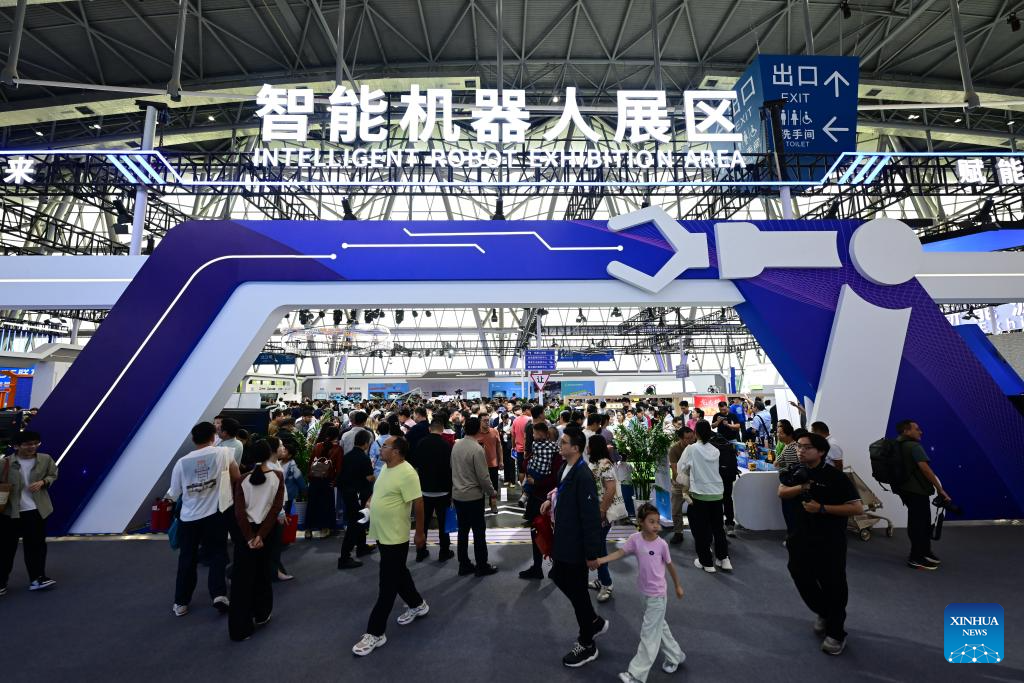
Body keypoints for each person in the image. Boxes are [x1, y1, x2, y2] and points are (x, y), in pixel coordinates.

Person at [778, 432, 863, 656]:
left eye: (806, 447)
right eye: (799, 446)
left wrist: (822, 508)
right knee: (799, 574)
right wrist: (802, 488)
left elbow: (856, 508)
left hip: (829, 540)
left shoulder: (836, 477)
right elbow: (782, 492)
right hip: (799, 536)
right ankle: (824, 612)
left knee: (833, 584)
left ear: (821, 451)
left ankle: (836, 633)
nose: (801, 450)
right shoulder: (797, 471)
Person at [351, 436, 428, 657]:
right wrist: (370, 503)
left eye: (384, 446)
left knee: (387, 585)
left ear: (395, 452)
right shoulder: (386, 468)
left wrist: (420, 532)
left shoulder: (408, 473)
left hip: (395, 536)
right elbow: (379, 490)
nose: (380, 448)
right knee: (399, 574)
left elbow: (418, 502)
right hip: (382, 534)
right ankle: (418, 604)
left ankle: (375, 632)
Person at [541, 425, 609, 668]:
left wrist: (592, 554)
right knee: (558, 575)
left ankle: (587, 643)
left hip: (577, 545)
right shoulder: (565, 468)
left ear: (576, 448)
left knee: (579, 593)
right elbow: (562, 490)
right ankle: (593, 621)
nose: (560, 444)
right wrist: (551, 500)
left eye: (564, 442)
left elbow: (590, 518)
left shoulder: (583, 475)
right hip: (563, 539)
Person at [598, 503, 685, 683]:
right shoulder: (635, 539)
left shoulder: (661, 545)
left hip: (658, 596)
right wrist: (601, 560)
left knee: (648, 634)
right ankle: (676, 655)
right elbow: (620, 553)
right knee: (659, 627)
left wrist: (677, 586)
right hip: (644, 593)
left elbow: (670, 567)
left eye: (657, 522)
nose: (656, 525)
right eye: (651, 522)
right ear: (641, 522)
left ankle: (636, 675)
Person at [166, 422, 239, 617]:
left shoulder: (181, 463)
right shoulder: (224, 453)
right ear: (213, 437)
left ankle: (181, 602)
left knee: (187, 558)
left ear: (193, 439)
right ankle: (219, 595)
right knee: (218, 554)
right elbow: (236, 476)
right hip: (216, 514)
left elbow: (174, 492)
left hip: (189, 517)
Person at [229, 440, 284, 641]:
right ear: (269, 454)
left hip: (246, 534)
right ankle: (262, 613)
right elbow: (275, 508)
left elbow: (239, 512)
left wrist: (250, 537)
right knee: (263, 573)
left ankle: (240, 629)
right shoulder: (277, 476)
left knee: (242, 581)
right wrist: (261, 535)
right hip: (267, 533)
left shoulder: (242, 479)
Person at [0, 430, 58, 594]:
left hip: (36, 510)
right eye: (27, 444)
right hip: (10, 513)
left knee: (36, 547)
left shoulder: (45, 459)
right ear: (16, 446)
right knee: (5, 549)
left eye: (35, 443)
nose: (32, 447)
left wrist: (43, 482)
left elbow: (53, 474)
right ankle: (1, 583)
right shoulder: (5, 463)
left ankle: (37, 578)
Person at [893, 420, 950, 570]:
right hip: (917, 491)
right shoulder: (914, 446)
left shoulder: (898, 445)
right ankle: (916, 557)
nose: (920, 432)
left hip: (906, 490)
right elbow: (925, 469)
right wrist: (940, 489)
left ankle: (924, 552)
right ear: (906, 431)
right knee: (920, 524)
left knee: (919, 522)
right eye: (917, 429)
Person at [680, 421, 732, 573]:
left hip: (700, 495)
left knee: (701, 530)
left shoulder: (691, 449)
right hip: (717, 493)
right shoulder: (715, 450)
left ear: (696, 433)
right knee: (718, 528)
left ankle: (706, 562)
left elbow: (682, 468)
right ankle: (724, 559)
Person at [450, 417, 498, 576]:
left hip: (458, 495)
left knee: (462, 531)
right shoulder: (477, 449)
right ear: (478, 429)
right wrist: (492, 492)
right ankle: (482, 565)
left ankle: (463, 564)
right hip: (473, 497)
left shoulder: (456, 446)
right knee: (478, 532)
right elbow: (483, 476)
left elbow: (452, 468)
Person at [518, 421, 562, 579]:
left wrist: (537, 482)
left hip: (547, 499)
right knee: (536, 531)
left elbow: (555, 478)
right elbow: (525, 464)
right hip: (537, 498)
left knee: (551, 533)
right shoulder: (537, 449)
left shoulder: (556, 455)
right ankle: (538, 567)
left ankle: (556, 567)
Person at [588, 433, 627, 604]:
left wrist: (602, 510)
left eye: (589, 445)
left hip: (602, 512)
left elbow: (610, 489)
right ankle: (601, 579)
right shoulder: (595, 463)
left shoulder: (604, 464)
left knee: (599, 548)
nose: (587, 448)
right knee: (598, 546)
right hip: (596, 511)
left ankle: (607, 583)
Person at [409, 419, 454, 563]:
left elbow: (415, 464)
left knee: (423, 523)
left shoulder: (421, 443)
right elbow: (450, 468)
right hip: (443, 490)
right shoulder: (446, 445)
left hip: (424, 490)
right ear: (442, 430)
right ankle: (444, 552)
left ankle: (421, 551)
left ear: (429, 429)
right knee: (443, 523)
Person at [337, 429, 377, 569]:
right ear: (366, 443)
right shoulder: (364, 458)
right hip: (358, 495)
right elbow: (369, 477)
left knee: (359, 521)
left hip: (348, 493)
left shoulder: (347, 456)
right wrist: (375, 477)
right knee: (355, 524)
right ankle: (344, 557)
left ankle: (362, 546)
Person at [305, 425, 343, 538]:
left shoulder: (317, 446)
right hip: (327, 480)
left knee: (312, 504)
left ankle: (308, 530)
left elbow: (311, 462)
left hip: (314, 479)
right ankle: (324, 529)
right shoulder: (338, 449)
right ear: (336, 436)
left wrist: (309, 477)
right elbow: (339, 468)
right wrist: (335, 481)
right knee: (326, 505)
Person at [667, 427, 695, 545]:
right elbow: (674, 469)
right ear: (680, 438)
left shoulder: (695, 447)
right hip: (679, 483)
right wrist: (682, 482)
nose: (691, 440)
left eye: (692, 437)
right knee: (676, 509)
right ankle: (678, 532)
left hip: (694, 483)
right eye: (687, 438)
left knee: (697, 509)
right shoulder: (674, 449)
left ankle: (698, 532)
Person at [475, 410, 502, 514]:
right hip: (479, 465)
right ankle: (480, 506)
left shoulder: (494, 432)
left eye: (488, 420)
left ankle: (493, 504)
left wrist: (501, 461)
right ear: (479, 421)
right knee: (479, 487)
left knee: (494, 486)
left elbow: (499, 447)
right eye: (484, 420)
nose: (487, 422)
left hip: (493, 464)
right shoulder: (475, 433)